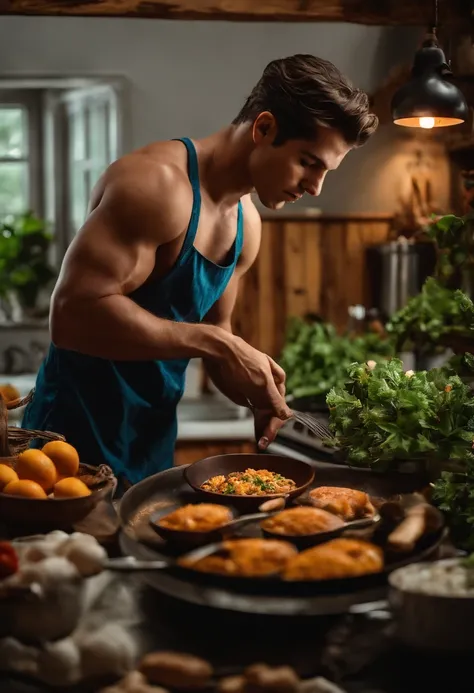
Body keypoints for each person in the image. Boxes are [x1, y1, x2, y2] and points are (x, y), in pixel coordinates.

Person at [22, 54, 378, 486]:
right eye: (309, 162)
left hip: (150, 439)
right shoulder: (155, 186)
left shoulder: (247, 225)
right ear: (264, 128)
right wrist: (218, 345)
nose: (315, 186)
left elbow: (216, 329)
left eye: (326, 171)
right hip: (66, 441)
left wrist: (255, 393)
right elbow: (73, 316)